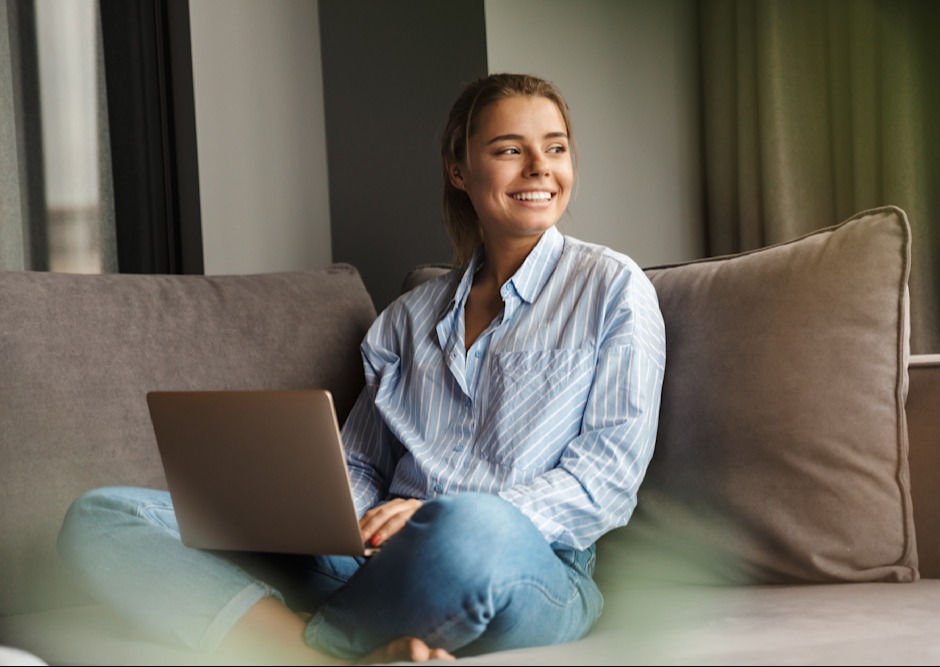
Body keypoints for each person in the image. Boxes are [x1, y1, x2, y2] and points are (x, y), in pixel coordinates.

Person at [57, 73, 666, 664]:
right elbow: (362, 462)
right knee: (103, 517)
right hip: (374, 563)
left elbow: (607, 481)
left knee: (472, 529)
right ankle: (314, 650)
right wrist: (319, 522)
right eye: (510, 149)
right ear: (460, 170)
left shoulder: (613, 288)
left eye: (554, 148)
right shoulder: (406, 319)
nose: (539, 167)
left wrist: (436, 520)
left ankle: (291, 639)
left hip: (525, 564)